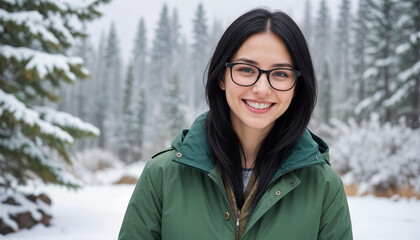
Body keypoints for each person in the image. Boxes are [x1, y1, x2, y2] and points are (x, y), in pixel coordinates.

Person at [118, 8, 352, 240]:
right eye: (246, 69)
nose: (261, 88)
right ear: (222, 76)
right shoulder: (162, 175)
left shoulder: (324, 187)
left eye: (280, 73)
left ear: (296, 87)